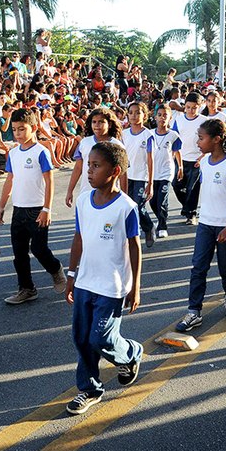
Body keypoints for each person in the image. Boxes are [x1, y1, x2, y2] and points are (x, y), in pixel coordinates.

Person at [64, 142, 143, 415]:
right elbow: (79, 238)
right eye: (89, 165)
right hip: (85, 281)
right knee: (82, 338)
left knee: (101, 339)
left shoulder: (126, 207)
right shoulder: (84, 200)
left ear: (115, 171)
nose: (89, 171)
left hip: (112, 285)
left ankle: (130, 353)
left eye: (96, 166)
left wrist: (136, 287)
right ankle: (89, 389)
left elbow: (134, 246)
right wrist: (71, 275)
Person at [175, 119, 226, 332]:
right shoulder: (205, 163)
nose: (197, 142)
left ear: (216, 140)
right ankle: (193, 311)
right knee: (198, 268)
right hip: (205, 224)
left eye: (201, 138)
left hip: (225, 226)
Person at [0, 108, 66, 304]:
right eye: (15, 130)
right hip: (18, 210)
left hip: (37, 209)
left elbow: (50, 181)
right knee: (19, 253)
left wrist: (46, 209)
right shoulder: (13, 153)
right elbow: (9, 181)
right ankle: (27, 288)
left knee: (39, 248)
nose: (17, 134)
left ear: (34, 127)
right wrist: (1, 207)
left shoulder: (41, 152)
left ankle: (56, 269)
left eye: (22, 129)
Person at [65, 107, 125, 207]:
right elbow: (78, 168)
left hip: (109, 196)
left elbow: (123, 174)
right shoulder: (84, 143)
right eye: (94, 122)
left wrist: (124, 196)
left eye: (101, 122)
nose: (97, 125)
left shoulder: (117, 145)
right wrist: (69, 191)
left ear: (109, 124)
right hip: (86, 194)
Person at [122, 101, 155, 247]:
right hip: (125, 176)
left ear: (144, 115)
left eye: (138, 112)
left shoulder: (148, 135)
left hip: (141, 177)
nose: (134, 116)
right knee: (127, 206)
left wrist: (151, 183)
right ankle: (129, 236)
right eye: (131, 112)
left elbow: (150, 159)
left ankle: (148, 227)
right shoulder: (123, 134)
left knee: (137, 206)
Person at [171, 92, 205, 225]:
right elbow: (174, 140)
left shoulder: (204, 121)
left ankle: (191, 214)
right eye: (188, 107)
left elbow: (208, 140)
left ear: (200, 106)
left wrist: (202, 157)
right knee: (176, 185)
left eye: (194, 107)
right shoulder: (178, 120)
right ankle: (187, 207)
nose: (191, 110)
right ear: (184, 106)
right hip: (181, 159)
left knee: (193, 189)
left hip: (197, 160)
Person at [149, 106, 182, 238]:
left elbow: (177, 152)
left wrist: (180, 167)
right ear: (155, 117)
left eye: (165, 115)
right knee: (153, 201)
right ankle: (160, 219)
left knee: (162, 199)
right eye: (160, 115)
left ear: (170, 118)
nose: (162, 117)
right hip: (152, 172)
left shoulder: (173, 135)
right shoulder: (149, 134)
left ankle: (162, 226)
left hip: (166, 172)